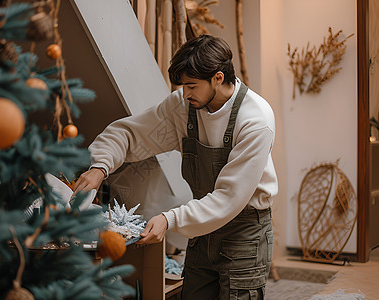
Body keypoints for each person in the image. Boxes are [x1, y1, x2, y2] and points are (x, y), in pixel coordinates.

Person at [74, 34, 277, 299]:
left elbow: (229, 198)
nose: (184, 93)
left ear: (217, 77)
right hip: (204, 233)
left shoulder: (256, 120)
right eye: (182, 85)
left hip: (245, 232)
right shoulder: (183, 106)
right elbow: (131, 133)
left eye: (191, 85)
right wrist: (100, 166)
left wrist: (169, 219)